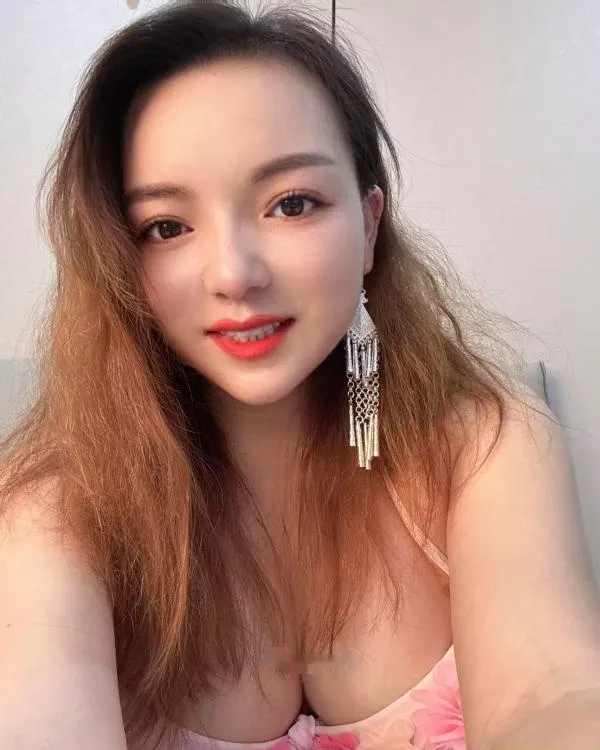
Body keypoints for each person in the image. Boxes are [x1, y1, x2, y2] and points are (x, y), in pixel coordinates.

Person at [1, 1, 599, 749]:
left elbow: (548, 693)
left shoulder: (484, 443)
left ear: (370, 225)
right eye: (167, 226)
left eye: (291, 204)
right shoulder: (56, 507)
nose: (234, 274)